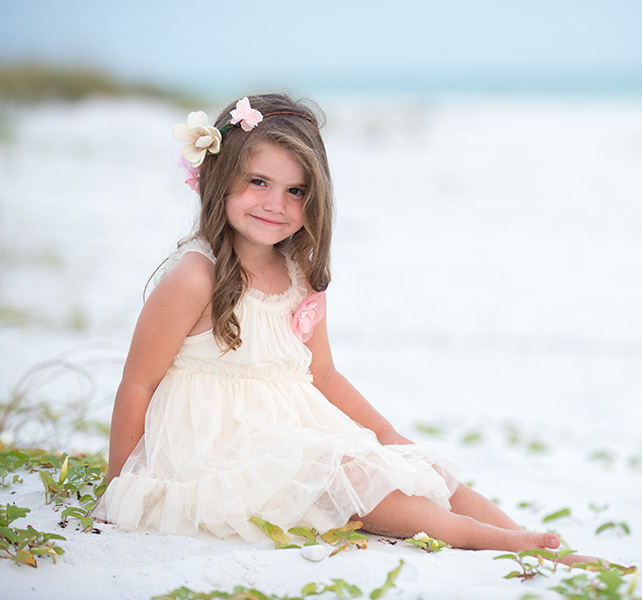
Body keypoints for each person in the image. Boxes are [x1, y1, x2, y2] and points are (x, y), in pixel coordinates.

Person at [94, 93, 584, 559]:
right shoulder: (194, 276)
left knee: (410, 464)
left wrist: (388, 434)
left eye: (295, 191)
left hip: (285, 428)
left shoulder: (298, 276)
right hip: (216, 445)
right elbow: (140, 381)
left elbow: (323, 375)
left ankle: (524, 536)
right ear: (219, 176)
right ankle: (479, 539)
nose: (275, 203)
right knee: (342, 473)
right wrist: (123, 485)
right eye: (258, 182)